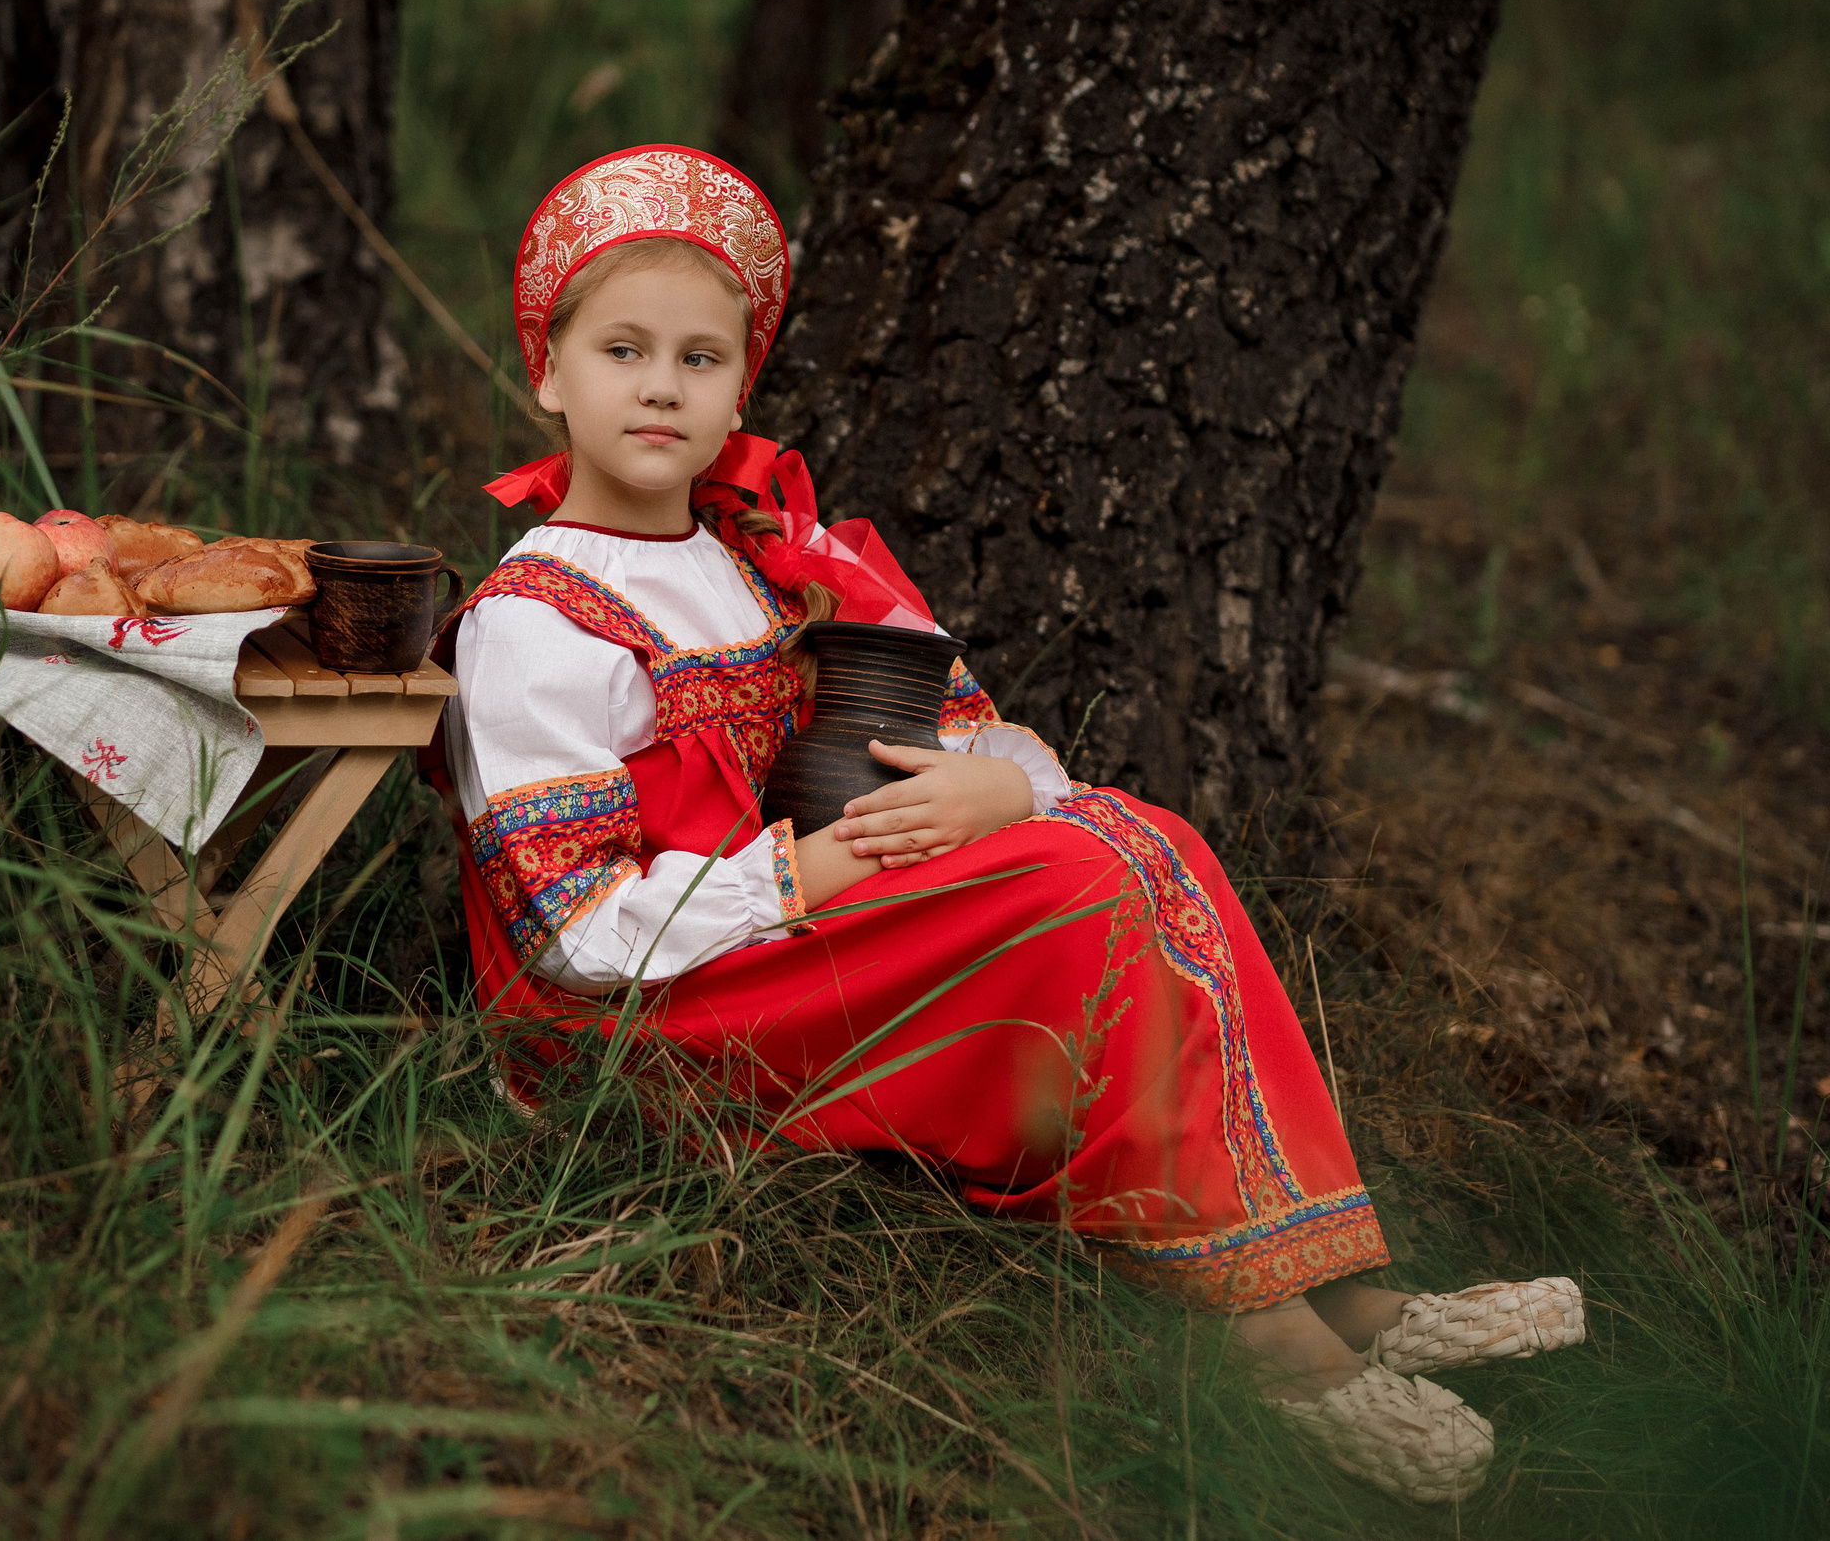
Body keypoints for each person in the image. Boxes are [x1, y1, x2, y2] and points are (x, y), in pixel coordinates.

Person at [424, 145, 1585, 1504]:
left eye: (700, 356)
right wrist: (801, 869)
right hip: (650, 1016)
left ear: (744, 384)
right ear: (549, 374)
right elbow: (567, 937)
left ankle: (1340, 1285)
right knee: (1078, 891)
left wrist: (1002, 789)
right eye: (623, 349)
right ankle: (1265, 1332)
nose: (663, 385)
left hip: (799, 923)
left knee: (1148, 842)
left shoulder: (769, 563)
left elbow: (985, 736)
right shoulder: (537, 619)